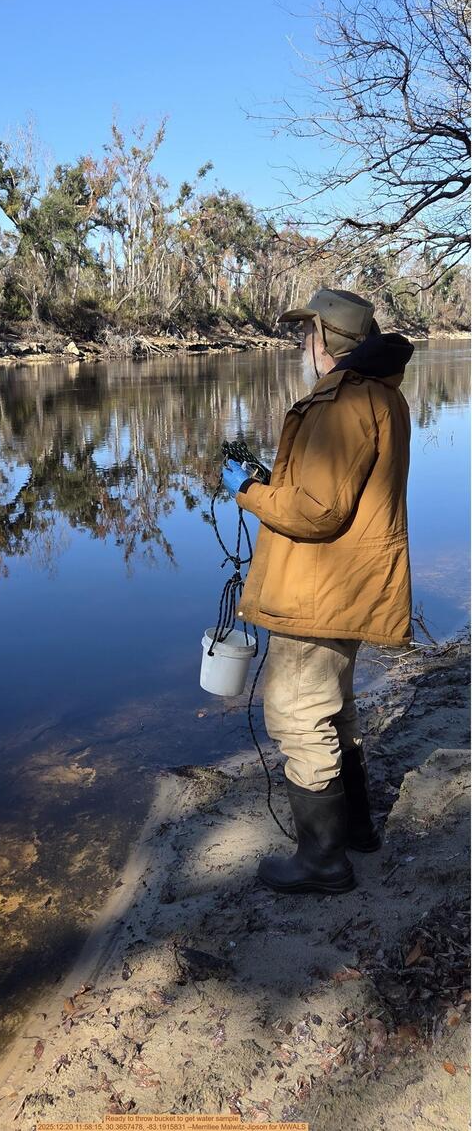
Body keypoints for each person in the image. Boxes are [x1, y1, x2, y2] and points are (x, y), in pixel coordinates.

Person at [222, 287, 414, 896]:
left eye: (307, 332)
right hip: (343, 585)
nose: (302, 342)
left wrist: (248, 491)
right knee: (335, 708)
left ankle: (322, 861)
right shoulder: (379, 393)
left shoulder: (342, 401)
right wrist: (266, 479)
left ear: (328, 339)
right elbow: (328, 495)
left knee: (299, 714)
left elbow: (318, 512)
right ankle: (356, 830)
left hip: (319, 590)